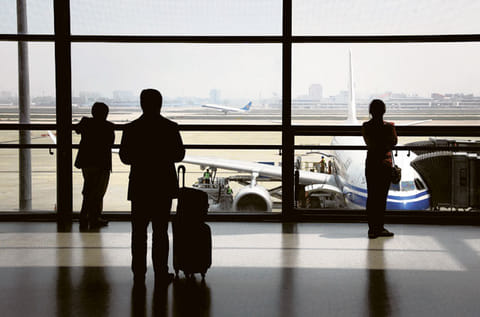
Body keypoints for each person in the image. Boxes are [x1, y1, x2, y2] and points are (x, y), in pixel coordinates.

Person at [120, 89, 185, 285]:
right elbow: (179, 155)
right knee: (160, 233)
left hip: (140, 185)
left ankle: (138, 273)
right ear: (160, 104)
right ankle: (161, 273)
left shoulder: (131, 129)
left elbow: (125, 157)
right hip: (162, 186)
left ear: (141, 104)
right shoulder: (170, 127)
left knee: (138, 234)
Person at [74, 102, 114, 229]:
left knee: (88, 189)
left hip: (87, 162)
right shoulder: (108, 126)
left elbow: (77, 130)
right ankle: (94, 217)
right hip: (101, 163)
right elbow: (110, 143)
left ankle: (85, 215)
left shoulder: (86, 122)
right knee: (98, 192)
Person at [361, 99, 397, 239]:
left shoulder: (366, 126)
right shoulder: (389, 127)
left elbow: (369, 143)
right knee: (381, 198)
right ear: (384, 111)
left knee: (372, 197)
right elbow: (393, 142)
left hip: (371, 164)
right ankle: (380, 227)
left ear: (370, 111)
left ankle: (372, 229)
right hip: (384, 165)